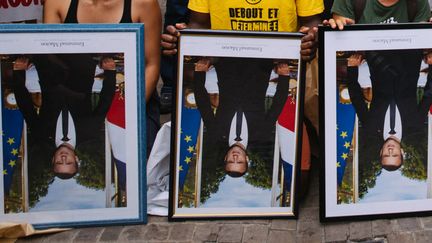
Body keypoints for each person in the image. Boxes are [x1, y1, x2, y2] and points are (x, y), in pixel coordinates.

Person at [43, 0, 162, 156]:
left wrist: (130, 111)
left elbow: (151, 65)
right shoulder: (57, 3)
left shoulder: (143, 3)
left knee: (140, 156)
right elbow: (50, 60)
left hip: (133, 97)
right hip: (77, 101)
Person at [11, 55, 117, 179]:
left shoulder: (41, 134)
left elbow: (25, 105)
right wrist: (110, 71)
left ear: (53, 160)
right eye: (69, 162)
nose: (63, 158)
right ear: (76, 159)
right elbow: (105, 102)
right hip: (82, 65)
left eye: (59, 162)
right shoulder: (90, 133)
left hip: (48, 63)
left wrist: (19, 71)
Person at [193, 57, 291, 177]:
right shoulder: (261, 134)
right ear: (247, 158)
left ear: (225, 158)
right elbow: (277, 106)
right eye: (239, 161)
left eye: (230, 161)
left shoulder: (216, 133)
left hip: (227, 64)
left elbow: (203, 104)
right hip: (260, 66)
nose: (235, 157)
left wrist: (199, 73)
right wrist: (284, 77)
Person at [346, 51, 432, 171]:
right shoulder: (415, 126)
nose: (390, 150)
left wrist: (352, 69)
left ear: (381, 152)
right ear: (402, 151)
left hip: (378, 60)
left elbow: (357, 99)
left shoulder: (370, 128)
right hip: (410, 59)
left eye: (387, 154)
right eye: (395, 154)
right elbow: (428, 95)